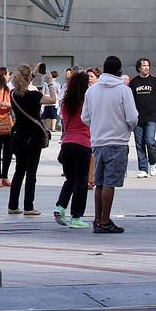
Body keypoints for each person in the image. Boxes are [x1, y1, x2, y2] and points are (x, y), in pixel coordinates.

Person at [82, 56, 138, 234]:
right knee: (110, 183)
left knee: (99, 182)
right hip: (117, 141)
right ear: (119, 70)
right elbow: (132, 117)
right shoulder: (123, 90)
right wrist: (126, 127)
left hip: (98, 142)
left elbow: (85, 117)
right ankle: (105, 220)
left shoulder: (92, 90)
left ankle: (98, 219)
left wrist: (99, 124)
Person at [54, 69, 92, 228]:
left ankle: (60, 207)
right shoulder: (86, 103)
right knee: (82, 181)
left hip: (67, 143)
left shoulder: (66, 103)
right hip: (82, 143)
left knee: (70, 179)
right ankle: (76, 217)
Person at [8, 65, 46, 217]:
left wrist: (32, 75)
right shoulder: (35, 96)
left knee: (19, 171)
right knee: (31, 172)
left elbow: (24, 84)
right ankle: (28, 206)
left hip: (18, 135)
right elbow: (53, 99)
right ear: (29, 78)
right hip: (33, 137)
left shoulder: (13, 94)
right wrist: (48, 83)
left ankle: (12, 205)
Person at [129, 59, 156, 178]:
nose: (146, 67)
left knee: (150, 142)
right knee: (139, 144)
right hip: (137, 118)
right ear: (139, 68)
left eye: (148, 65)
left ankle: (153, 162)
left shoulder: (155, 81)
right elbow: (130, 101)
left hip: (151, 116)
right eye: (143, 65)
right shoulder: (134, 82)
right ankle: (143, 169)